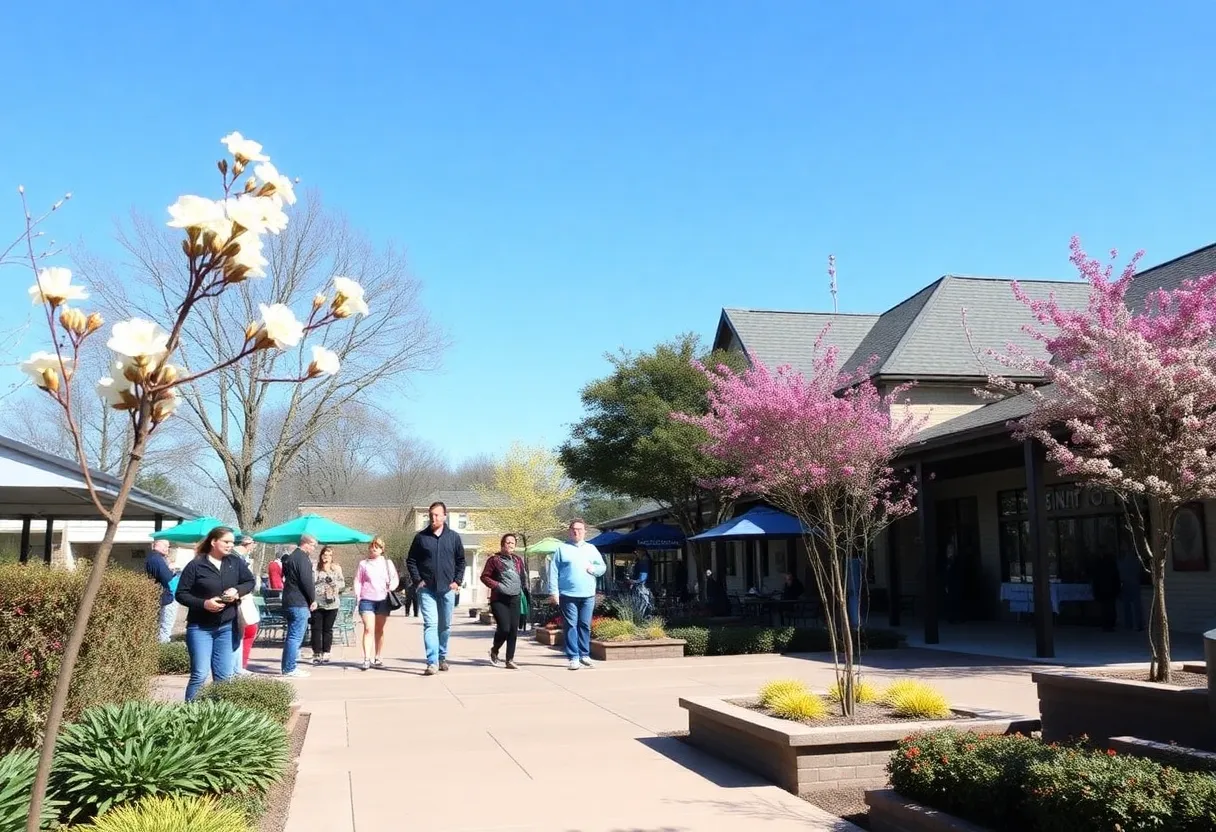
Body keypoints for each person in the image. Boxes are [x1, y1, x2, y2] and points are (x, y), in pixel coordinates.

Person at [174, 526, 255, 700]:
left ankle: (221, 718)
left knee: (224, 677)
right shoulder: (196, 565)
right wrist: (204, 604)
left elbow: (250, 581)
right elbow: (181, 594)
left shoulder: (235, 562)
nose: (230, 545)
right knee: (200, 675)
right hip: (200, 628)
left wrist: (237, 590)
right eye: (226, 542)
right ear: (213, 542)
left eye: (232, 542)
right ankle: (191, 715)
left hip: (227, 627)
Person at [406, 501, 466, 676]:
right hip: (427, 589)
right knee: (430, 625)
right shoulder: (420, 538)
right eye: (431, 515)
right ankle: (431, 662)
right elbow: (411, 561)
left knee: (445, 626)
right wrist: (418, 580)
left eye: (437, 515)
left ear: (444, 516)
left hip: (447, 589)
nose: (434, 518)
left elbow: (461, 561)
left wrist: (457, 581)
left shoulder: (454, 537)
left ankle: (442, 656)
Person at [548, 518, 606, 671]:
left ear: (584, 532)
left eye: (580, 529)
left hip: (588, 594)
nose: (576, 531)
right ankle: (573, 657)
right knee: (571, 625)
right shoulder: (561, 549)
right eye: (574, 529)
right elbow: (553, 572)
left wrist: (593, 569)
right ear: (569, 531)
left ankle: (584, 654)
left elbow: (602, 567)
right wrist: (554, 592)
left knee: (585, 625)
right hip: (568, 594)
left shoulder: (591, 548)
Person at [480, 533, 530, 669]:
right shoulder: (494, 560)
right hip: (499, 599)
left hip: (515, 598)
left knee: (513, 629)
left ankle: (510, 659)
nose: (510, 545)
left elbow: (522, 577)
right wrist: (498, 586)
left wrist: (522, 590)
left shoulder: (518, 560)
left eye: (512, 543)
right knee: (504, 628)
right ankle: (494, 650)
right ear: (502, 544)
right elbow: (484, 577)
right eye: (507, 542)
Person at [353, 538, 398, 671]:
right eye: (372, 547)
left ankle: (378, 656)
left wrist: (392, 587)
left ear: (382, 549)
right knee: (368, 628)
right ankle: (367, 658)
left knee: (379, 629)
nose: (374, 549)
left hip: (383, 600)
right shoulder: (363, 564)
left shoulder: (387, 563)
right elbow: (358, 580)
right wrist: (358, 595)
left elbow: (394, 578)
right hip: (367, 600)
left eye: (377, 547)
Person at [280, 534, 318, 678]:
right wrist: (312, 599)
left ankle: (287, 666)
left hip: (289, 600)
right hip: (299, 601)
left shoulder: (291, 557)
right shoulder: (302, 559)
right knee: (295, 636)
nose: (314, 548)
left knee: (292, 636)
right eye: (313, 545)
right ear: (306, 543)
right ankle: (290, 668)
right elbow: (306, 581)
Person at [311, 545, 346, 665]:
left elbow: (342, 584)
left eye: (330, 555)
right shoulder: (315, 569)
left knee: (328, 629)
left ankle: (326, 652)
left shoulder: (336, 569)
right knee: (316, 629)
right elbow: (311, 583)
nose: (327, 557)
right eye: (325, 555)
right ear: (321, 556)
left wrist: (334, 585)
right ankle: (316, 653)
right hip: (318, 602)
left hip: (332, 603)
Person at [231, 535, 257, 673]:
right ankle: (237, 667)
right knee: (240, 632)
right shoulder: (235, 558)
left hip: (243, 597)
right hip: (238, 599)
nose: (254, 547)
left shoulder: (242, 558)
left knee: (247, 630)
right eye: (253, 543)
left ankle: (239, 666)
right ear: (246, 543)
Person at [145, 538, 179, 644]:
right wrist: (172, 572)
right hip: (167, 596)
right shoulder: (157, 559)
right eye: (165, 545)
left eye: (168, 546)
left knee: (159, 625)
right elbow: (168, 578)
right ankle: (162, 650)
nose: (167, 548)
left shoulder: (152, 557)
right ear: (156, 545)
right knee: (165, 626)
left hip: (159, 594)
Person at [1117, 548, 1145, 631]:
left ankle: (1129, 624)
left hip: (1125, 584)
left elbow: (1120, 573)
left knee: (1127, 605)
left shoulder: (1120, 562)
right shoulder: (1137, 561)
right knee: (1136, 605)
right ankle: (1138, 624)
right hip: (1135, 583)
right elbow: (1140, 571)